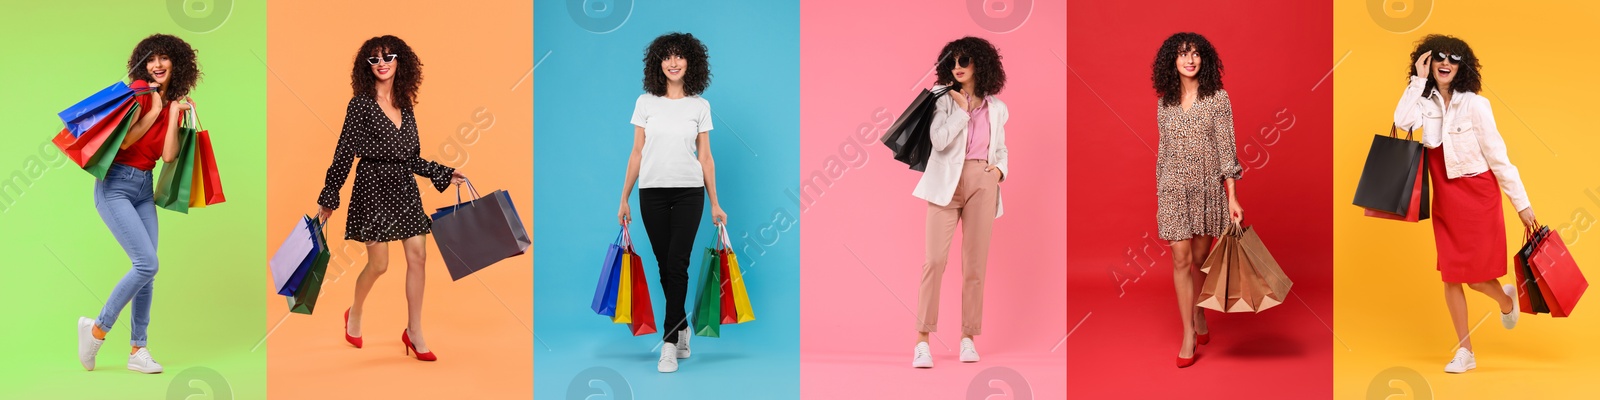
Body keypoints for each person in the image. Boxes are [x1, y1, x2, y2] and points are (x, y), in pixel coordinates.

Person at [1391, 34, 1536, 374]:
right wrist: (1417, 79)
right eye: (1439, 57)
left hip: (1477, 194)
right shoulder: (1423, 100)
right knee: (1452, 275)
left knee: (1474, 278)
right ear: (1429, 61)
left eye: (1454, 58)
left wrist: (1522, 203)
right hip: (1444, 194)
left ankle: (1505, 300)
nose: (1446, 63)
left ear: (1462, 66)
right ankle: (1465, 351)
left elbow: (1499, 158)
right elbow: (1401, 121)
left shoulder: (1475, 104)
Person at [317, 35, 468, 362]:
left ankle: (414, 331)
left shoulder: (406, 105)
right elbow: (344, 153)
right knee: (380, 264)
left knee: (419, 256)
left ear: (401, 61)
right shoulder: (360, 104)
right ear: (367, 66)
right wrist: (330, 194)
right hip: (372, 187)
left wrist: (444, 173)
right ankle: (354, 313)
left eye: (388, 56)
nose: (382, 63)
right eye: (374, 59)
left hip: (404, 188)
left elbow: (411, 157)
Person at [77, 33, 202, 375]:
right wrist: (156, 109)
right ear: (142, 64)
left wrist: (173, 110)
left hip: (144, 187)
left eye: (164, 58)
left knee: (148, 273)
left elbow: (168, 155)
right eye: (151, 59)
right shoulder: (139, 93)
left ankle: (138, 350)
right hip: (115, 185)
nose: (157, 65)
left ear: (177, 63)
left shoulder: (173, 102)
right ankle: (97, 330)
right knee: (146, 263)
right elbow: (124, 141)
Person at [614, 32, 728, 373]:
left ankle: (668, 342)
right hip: (651, 193)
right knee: (665, 266)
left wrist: (715, 204)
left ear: (691, 63)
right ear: (658, 63)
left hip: (689, 192)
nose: (674, 62)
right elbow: (637, 152)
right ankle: (682, 329)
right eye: (667, 57)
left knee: (677, 263)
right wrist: (623, 198)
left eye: (680, 56)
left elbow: (705, 157)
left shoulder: (700, 106)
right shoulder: (645, 102)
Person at [910, 36, 1010, 369]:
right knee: (934, 261)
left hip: (982, 182)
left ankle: (968, 337)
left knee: (975, 267)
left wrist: (998, 172)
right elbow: (938, 141)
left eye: (963, 61)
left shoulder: (997, 108)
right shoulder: (943, 100)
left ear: (980, 63)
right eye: (951, 62)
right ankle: (922, 340)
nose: (957, 67)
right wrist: (963, 112)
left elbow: (1000, 149)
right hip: (945, 185)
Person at [1149, 32, 1244, 368]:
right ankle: (1188, 332)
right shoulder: (1165, 102)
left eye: (1195, 54)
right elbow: (1163, 151)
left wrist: (1232, 196)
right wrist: (1161, 190)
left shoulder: (1218, 98)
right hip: (1173, 189)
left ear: (1204, 60)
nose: (1189, 59)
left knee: (1201, 257)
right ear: (1171, 61)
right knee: (1179, 258)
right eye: (1182, 54)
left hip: (1206, 189)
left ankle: (1200, 312)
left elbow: (1226, 148)